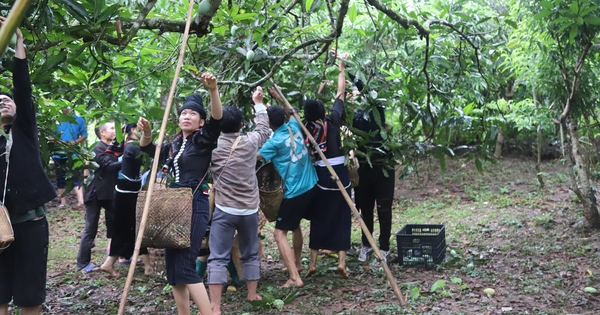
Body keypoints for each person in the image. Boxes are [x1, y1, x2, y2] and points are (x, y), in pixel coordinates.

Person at [138, 72, 222, 315]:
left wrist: (213, 91)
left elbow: (217, 119)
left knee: (185, 266)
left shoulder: (203, 140)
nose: (187, 116)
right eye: (184, 113)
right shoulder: (174, 145)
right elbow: (149, 150)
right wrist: (147, 131)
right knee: (174, 273)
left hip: (195, 204)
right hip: (173, 208)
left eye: (193, 114)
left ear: (201, 122)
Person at [0, 20, 57, 315]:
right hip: (0, 226)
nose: (4, 102)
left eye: (7, 100)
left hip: (30, 223)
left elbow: (22, 88)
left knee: (30, 295)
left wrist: (18, 40)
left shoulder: (23, 131)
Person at [207, 86, 271, 314]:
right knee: (250, 253)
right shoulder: (250, 141)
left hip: (225, 210)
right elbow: (264, 128)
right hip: (249, 210)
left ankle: (214, 305)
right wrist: (258, 103)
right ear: (241, 125)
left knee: (217, 256)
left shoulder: (212, 147)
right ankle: (252, 295)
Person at [257, 87, 318, 288]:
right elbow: (291, 111)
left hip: (295, 192)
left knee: (279, 233)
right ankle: (298, 264)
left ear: (269, 124)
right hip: (311, 184)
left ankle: (294, 277)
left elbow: (255, 158)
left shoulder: (272, 143)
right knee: (295, 224)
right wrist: (279, 97)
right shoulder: (294, 125)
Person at [304, 51, 351, 278]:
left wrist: (319, 91)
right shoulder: (333, 121)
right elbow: (341, 94)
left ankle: (313, 262)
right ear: (324, 111)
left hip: (320, 176)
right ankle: (342, 261)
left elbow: (310, 108)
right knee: (343, 214)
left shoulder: (307, 127)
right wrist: (341, 69)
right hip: (340, 172)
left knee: (320, 216)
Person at [98, 123, 152, 278]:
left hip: (130, 193)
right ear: (133, 131)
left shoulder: (132, 146)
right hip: (125, 195)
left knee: (131, 229)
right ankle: (111, 263)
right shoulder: (132, 148)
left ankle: (111, 263)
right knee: (130, 230)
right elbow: (148, 157)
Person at [351, 79, 395, 263]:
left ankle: (384, 247)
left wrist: (350, 72)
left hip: (383, 166)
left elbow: (367, 90)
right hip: (364, 167)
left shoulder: (376, 111)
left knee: (384, 209)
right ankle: (367, 244)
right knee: (365, 208)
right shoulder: (354, 115)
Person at [76, 120, 121, 273]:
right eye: (112, 128)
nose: (115, 131)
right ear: (102, 132)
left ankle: (114, 256)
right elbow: (109, 166)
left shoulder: (113, 148)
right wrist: (126, 159)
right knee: (91, 228)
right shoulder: (98, 148)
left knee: (115, 224)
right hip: (96, 193)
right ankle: (82, 263)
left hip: (109, 193)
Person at [52, 106, 87, 208]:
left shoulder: (79, 120)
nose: (65, 109)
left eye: (67, 107)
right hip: (58, 153)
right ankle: (63, 202)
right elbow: (50, 137)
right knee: (60, 177)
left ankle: (81, 201)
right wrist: (60, 143)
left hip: (73, 153)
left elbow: (84, 135)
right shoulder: (56, 121)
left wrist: (73, 143)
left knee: (75, 175)